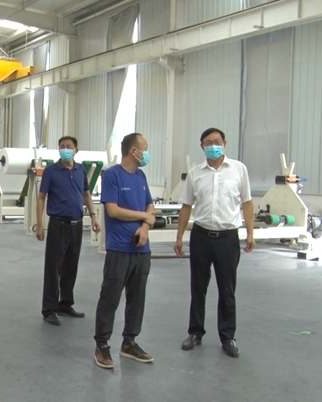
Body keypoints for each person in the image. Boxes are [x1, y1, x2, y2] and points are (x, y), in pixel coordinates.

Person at [174, 127, 255, 358]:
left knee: (227, 289)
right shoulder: (195, 174)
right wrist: (179, 237)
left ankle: (228, 336)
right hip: (201, 236)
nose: (213, 146)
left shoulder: (238, 170)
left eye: (217, 141)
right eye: (208, 142)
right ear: (202, 146)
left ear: (224, 143)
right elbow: (186, 206)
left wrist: (250, 233)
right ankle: (195, 332)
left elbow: (247, 203)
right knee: (198, 287)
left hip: (228, 238)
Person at [93, 133, 156, 370]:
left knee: (137, 297)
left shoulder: (141, 176)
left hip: (141, 248)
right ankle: (102, 344)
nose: (147, 154)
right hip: (119, 247)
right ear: (133, 151)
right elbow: (114, 210)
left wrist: (145, 227)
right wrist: (144, 216)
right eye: (145, 149)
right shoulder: (112, 175)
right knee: (110, 297)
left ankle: (129, 342)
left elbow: (150, 206)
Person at [36, 136, 100, 326]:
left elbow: (86, 194)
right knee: (53, 268)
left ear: (76, 150)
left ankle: (65, 304)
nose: (65, 149)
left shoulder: (80, 170)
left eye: (69, 147)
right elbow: (41, 197)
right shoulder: (51, 171)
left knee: (71, 266)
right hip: (58, 224)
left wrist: (93, 216)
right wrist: (39, 224)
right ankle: (49, 309)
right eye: (62, 146)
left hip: (76, 224)